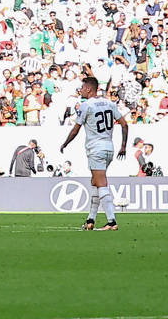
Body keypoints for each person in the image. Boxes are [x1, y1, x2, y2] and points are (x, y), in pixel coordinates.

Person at [61, 74, 128, 231]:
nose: (81, 90)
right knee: (95, 183)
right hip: (109, 148)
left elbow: (75, 129)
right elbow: (124, 125)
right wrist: (123, 146)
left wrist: (65, 143)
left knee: (101, 183)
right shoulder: (110, 103)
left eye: (83, 88)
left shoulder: (86, 106)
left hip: (95, 148)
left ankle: (112, 221)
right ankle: (90, 220)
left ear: (89, 89)